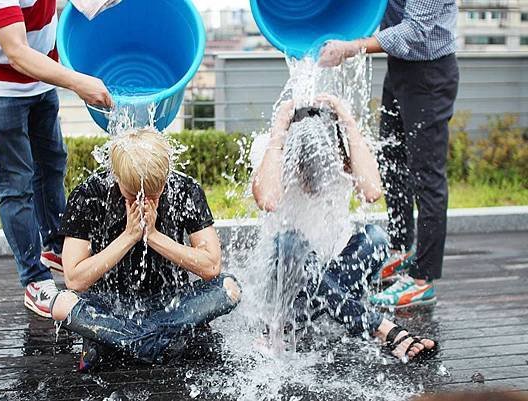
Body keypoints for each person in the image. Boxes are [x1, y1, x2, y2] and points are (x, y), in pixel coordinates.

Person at [250, 96, 437, 362]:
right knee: (290, 242)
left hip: (332, 277)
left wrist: (347, 120)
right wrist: (280, 129)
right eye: (308, 154)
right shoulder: (270, 148)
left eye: (321, 154)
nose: (317, 164)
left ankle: (285, 327)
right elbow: (267, 199)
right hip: (285, 280)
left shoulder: (342, 156)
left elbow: (372, 192)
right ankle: (380, 328)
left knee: (376, 237)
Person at [0, 0, 113, 318]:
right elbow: (16, 52)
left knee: (52, 163)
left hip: (40, 75)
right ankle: (34, 279)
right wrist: (79, 82)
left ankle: (57, 247)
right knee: (17, 183)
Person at [51, 129, 241, 371]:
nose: (143, 202)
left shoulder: (185, 189)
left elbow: (211, 266)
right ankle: (163, 340)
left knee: (229, 288)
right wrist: (129, 237)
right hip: (113, 304)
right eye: (132, 195)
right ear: (116, 177)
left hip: (172, 302)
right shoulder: (89, 195)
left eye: (154, 194)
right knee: (61, 303)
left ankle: (121, 341)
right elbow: (75, 279)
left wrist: (153, 236)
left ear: (165, 177)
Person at [318, 0, 460, 309]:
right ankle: (402, 250)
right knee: (393, 164)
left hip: (430, 74)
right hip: (400, 70)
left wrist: (351, 47)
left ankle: (423, 281)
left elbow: (414, 31)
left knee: (427, 177)